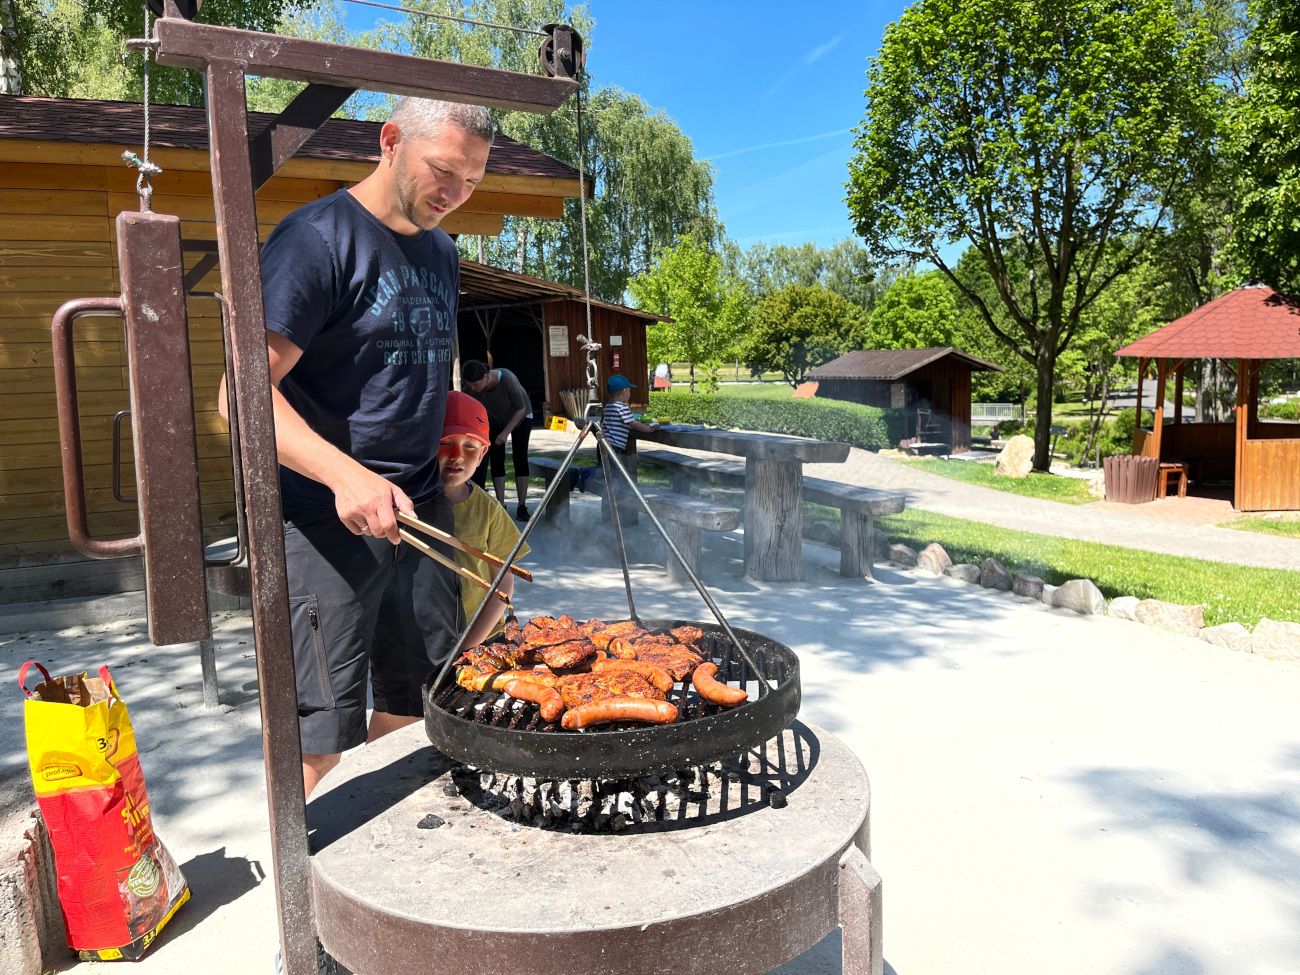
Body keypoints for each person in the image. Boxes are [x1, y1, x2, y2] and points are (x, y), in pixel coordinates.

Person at [218, 97, 494, 798]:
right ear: (391, 140)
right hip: (323, 520)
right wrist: (346, 476)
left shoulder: (441, 250)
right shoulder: (316, 239)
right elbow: (236, 397)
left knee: (416, 700)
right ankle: (292, 887)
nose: (454, 196)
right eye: (443, 172)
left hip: (420, 510)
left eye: (471, 183)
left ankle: (384, 856)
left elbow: (412, 372)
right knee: (318, 737)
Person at [438, 391, 531, 647]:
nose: (456, 455)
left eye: (469, 446)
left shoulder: (489, 510)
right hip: (424, 640)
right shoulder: (408, 505)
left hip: (480, 638)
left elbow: (504, 585)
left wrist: (469, 645)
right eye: (445, 443)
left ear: (482, 455)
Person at [460, 359, 534, 521]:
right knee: (496, 458)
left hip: (521, 416)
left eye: (476, 384)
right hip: (496, 420)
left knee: (519, 458)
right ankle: (501, 505)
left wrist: (506, 433)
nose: (473, 388)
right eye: (470, 385)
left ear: (486, 376)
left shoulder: (506, 379)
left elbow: (520, 409)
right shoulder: (472, 386)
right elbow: (465, 402)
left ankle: (522, 506)